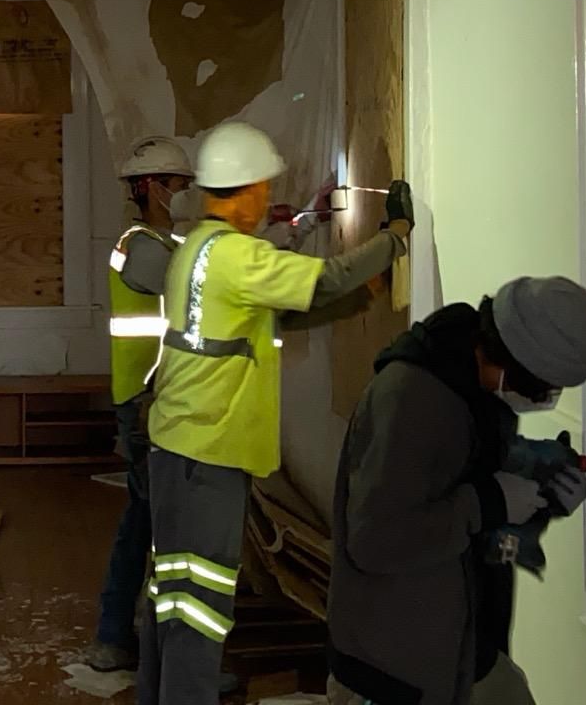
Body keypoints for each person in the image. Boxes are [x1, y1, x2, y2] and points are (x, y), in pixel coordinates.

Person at [138, 121, 414, 705]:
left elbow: (275, 319)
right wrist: (395, 235)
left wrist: (361, 299)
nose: (267, 198)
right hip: (204, 455)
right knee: (200, 607)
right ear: (241, 190)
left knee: (175, 600)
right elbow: (328, 276)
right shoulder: (234, 256)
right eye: (262, 187)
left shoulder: (200, 249)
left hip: (182, 451)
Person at [326, 276, 586, 705]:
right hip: (395, 667)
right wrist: (488, 503)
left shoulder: (479, 394)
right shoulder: (409, 400)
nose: (544, 401)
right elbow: (376, 540)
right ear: (508, 360)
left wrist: (542, 503)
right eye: (540, 390)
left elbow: (474, 509)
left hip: (463, 644)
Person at [85, 136, 195, 673]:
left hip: (150, 400)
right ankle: (160, 655)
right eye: (179, 185)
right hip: (147, 405)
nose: (186, 194)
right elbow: (199, 289)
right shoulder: (143, 246)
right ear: (150, 187)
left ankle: (114, 636)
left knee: (143, 520)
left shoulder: (162, 243)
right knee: (161, 525)